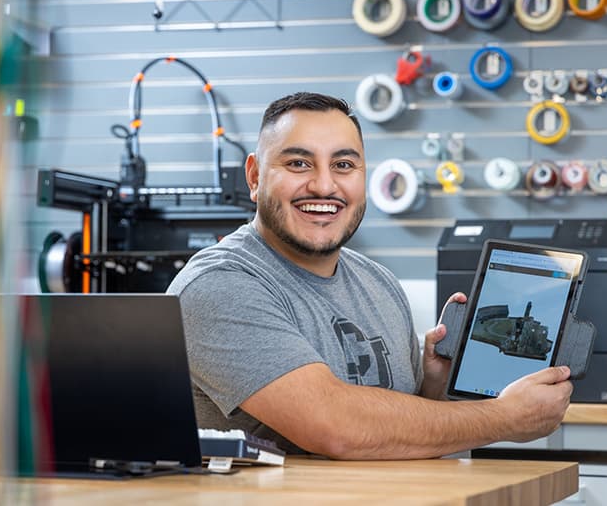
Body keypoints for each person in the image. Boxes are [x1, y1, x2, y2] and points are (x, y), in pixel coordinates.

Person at [167, 91, 572, 459]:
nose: (324, 185)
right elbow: (335, 428)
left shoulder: (379, 283)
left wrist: (433, 386)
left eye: (343, 164)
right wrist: (503, 417)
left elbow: (398, 432)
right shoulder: (219, 284)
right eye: (298, 163)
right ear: (254, 177)